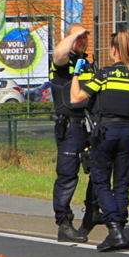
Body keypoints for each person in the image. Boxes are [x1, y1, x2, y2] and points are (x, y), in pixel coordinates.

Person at [70, 29, 129, 252]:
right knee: (122, 183)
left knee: (100, 180)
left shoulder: (104, 74)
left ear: (113, 50)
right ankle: (120, 227)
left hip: (106, 132)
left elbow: (76, 98)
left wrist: (75, 75)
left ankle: (113, 230)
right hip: (128, 133)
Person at [49, 23, 100, 243]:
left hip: (90, 125)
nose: (82, 40)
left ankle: (93, 212)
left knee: (98, 170)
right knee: (68, 175)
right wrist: (74, 34)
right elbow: (59, 53)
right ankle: (64, 223)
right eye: (78, 37)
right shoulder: (63, 62)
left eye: (85, 37)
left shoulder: (88, 65)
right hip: (70, 126)